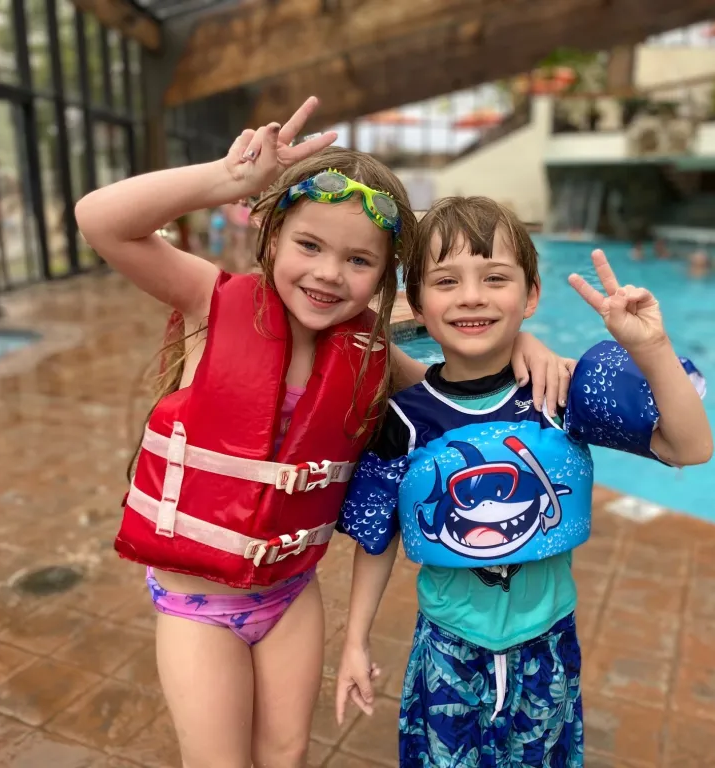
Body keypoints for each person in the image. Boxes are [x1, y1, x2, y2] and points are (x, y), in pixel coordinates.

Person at [75, 100, 571, 768]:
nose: (329, 273)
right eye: (309, 246)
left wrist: (525, 344)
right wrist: (228, 180)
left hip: (288, 597)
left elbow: (457, 380)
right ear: (273, 236)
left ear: (385, 278)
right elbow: (99, 220)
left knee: (288, 754)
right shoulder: (209, 302)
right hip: (198, 603)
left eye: (358, 260)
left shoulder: (369, 354)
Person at [334, 197, 713, 767]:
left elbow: (690, 447)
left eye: (495, 278)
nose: (472, 296)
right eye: (446, 281)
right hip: (447, 648)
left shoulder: (561, 395)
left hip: (548, 646)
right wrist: (355, 640)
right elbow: (377, 538)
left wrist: (650, 348)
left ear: (531, 295)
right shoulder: (403, 420)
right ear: (418, 301)